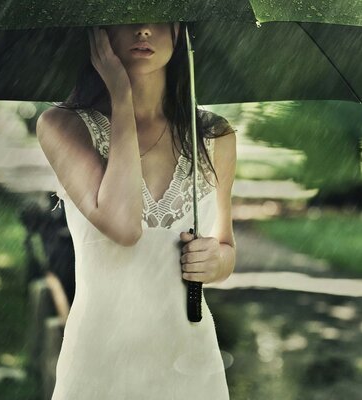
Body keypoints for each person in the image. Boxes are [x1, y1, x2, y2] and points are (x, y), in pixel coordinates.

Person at [36, 22, 236, 399]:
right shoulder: (62, 125)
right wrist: (120, 97)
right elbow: (123, 226)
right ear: (98, 31)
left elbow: (226, 249)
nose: (143, 28)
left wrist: (214, 261)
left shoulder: (214, 136)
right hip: (99, 364)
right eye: (127, 13)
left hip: (190, 365)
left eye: (159, 15)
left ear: (179, 31)